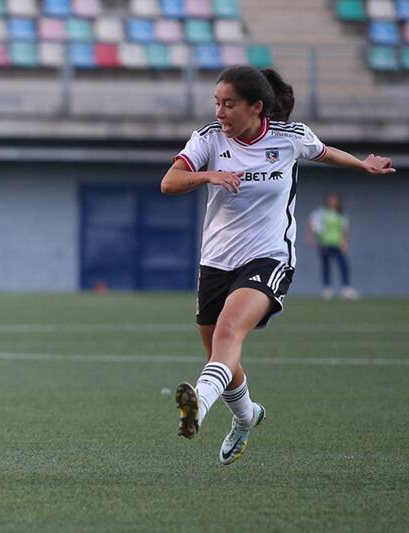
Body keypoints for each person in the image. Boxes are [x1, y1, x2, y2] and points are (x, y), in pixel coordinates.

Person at [161, 65, 394, 465]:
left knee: (229, 331)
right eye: (216, 102)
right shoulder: (208, 139)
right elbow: (169, 182)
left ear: (256, 107)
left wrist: (363, 165)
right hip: (215, 262)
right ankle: (247, 416)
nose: (220, 111)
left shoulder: (290, 138)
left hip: (270, 257)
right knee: (219, 352)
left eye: (229, 103)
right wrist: (209, 175)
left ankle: (198, 402)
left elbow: (324, 152)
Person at [307, 192, 359, 300]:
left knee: (343, 264)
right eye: (330, 199)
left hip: (337, 244)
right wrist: (311, 238)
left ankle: (346, 288)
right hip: (325, 243)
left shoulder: (340, 214)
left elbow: (345, 228)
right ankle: (327, 288)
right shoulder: (321, 212)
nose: (332, 201)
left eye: (334, 199)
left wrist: (344, 242)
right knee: (326, 265)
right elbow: (311, 222)